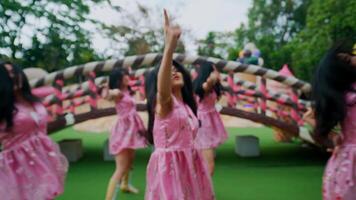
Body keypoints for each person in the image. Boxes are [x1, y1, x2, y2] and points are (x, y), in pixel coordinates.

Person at [144, 10, 215, 200]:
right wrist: (169, 48)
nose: (174, 72)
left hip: (189, 167)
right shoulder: (165, 103)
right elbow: (163, 90)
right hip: (170, 171)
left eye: (178, 70)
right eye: (169, 71)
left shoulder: (186, 105)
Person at [0, 61, 68, 200]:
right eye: (7, 75)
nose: (13, 77)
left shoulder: (32, 99)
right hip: (18, 164)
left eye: (14, 72)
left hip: (43, 158)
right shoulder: (3, 106)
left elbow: (51, 90)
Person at [312, 39, 356, 200]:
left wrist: (340, 140)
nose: (353, 57)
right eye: (348, 58)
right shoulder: (351, 98)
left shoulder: (344, 99)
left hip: (343, 167)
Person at [104, 68, 147, 199]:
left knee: (130, 162)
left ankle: (125, 185)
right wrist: (110, 92)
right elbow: (109, 95)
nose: (128, 77)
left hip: (132, 130)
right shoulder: (118, 93)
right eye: (125, 76)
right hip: (123, 131)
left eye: (128, 75)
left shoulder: (128, 92)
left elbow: (142, 98)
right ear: (118, 79)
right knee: (121, 168)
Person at [193, 61, 228, 175]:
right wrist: (212, 78)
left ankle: (200, 189)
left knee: (204, 162)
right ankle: (203, 190)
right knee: (209, 163)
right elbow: (207, 85)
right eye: (214, 70)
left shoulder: (213, 88)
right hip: (204, 125)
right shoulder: (205, 86)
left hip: (209, 123)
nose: (217, 72)